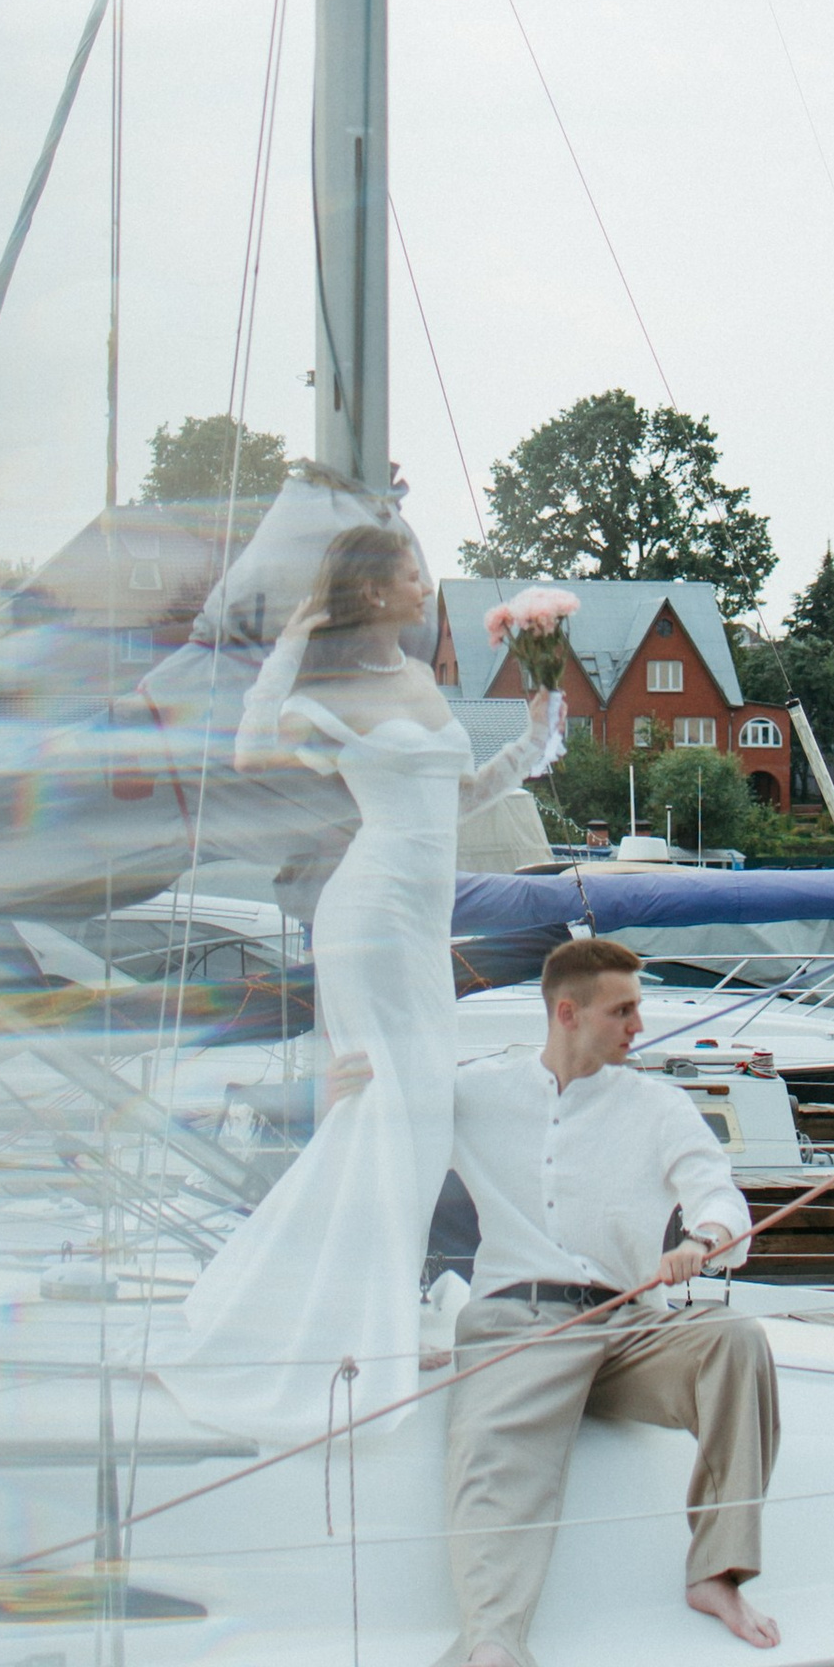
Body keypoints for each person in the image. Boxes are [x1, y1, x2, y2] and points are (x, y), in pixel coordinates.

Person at [163, 521, 557, 1437]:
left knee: (420, 1120)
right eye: (414, 574)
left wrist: (533, 737)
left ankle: (380, 1301)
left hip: (421, 925)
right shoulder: (328, 688)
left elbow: (456, 798)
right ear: (375, 591)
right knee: (389, 1111)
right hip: (370, 917)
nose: (428, 586)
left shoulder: (419, 681)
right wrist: (296, 636)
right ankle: (354, 1317)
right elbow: (252, 748)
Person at [428, 935, 781, 1667]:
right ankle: (495, 1639)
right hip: (518, 1323)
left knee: (737, 1341)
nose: (637, 1025)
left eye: (638, 1009)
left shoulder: (656, 1104)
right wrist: (355, 1085)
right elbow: (387, 1124)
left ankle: (716, 1573)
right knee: (491, 1450)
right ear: (568, 1012)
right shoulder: (477, 1091)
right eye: (623, 1010)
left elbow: (718, 1194)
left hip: (627, 1326)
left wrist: (702, 1240)